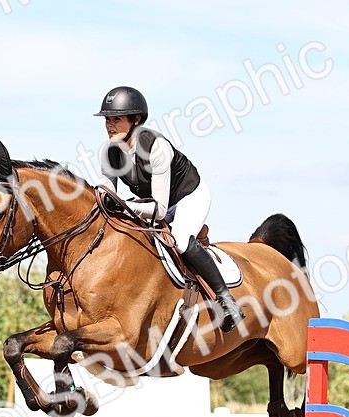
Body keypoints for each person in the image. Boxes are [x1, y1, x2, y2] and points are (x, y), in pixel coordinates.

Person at [93, 85, 244, 332]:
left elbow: (161, 210)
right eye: (107, 120)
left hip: (187, 197)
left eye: (116, 119)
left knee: (181, 240)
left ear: (136, 120)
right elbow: (106, 191)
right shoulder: (109, 152)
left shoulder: (155, 146)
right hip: (151, 203)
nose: (110, 125)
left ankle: (226, 300)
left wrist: (123, 204)